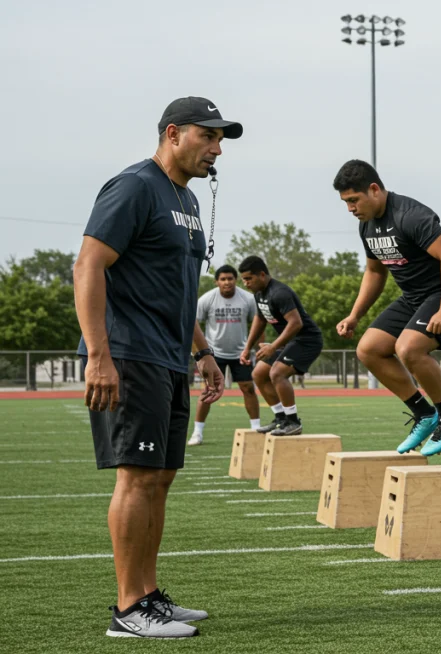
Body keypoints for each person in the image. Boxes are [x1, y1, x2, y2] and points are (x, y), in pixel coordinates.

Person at [75, 96, 241, 638]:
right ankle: (128, 612)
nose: (216, 149)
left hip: (169, 357)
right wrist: (99, 355)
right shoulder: (134, 186)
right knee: (138, 478)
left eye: (220, 140)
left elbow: (176, 289)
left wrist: (202, 352)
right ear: (173, 133)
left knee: (162, 478)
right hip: (129, 354)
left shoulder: (186, 200)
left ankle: (148, 595)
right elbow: (89, 265)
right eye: (207, 136)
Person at [332, 160, 441, 456]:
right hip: (414, 296)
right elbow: (375, 272)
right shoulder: (366, 226)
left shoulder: (410, 216)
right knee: (368, 349)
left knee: (409, 348)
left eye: (353, 200)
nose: (350, 208)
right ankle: (424, 414)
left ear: (374, 190)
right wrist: (355, 314)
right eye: (345, 202)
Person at [238, 256, 324, 436]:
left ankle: (293, 422)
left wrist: (273, 346)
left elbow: (296, 323)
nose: (245, 283)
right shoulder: (259, 293)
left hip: (307, 340)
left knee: (277, 373)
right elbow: (260, 319)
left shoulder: (279, 293)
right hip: (290, 341)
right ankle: (281, 418)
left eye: (248, 278)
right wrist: (247, 348)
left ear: (262, 275)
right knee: (258, 374)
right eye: (243, 279)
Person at [189, 265, 260, 445]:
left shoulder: (248, 299)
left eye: (230, 278)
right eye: (223, 279)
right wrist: (200, 352)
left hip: (241, 352)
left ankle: (256, 429)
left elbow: (259, 324)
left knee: (248, 388)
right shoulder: (207, 299)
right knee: (209, 391)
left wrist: (257, 349)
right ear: (217, 282)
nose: (227, 282)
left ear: (235, 280)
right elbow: (192, 323)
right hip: (214, 354)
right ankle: (197, 432)